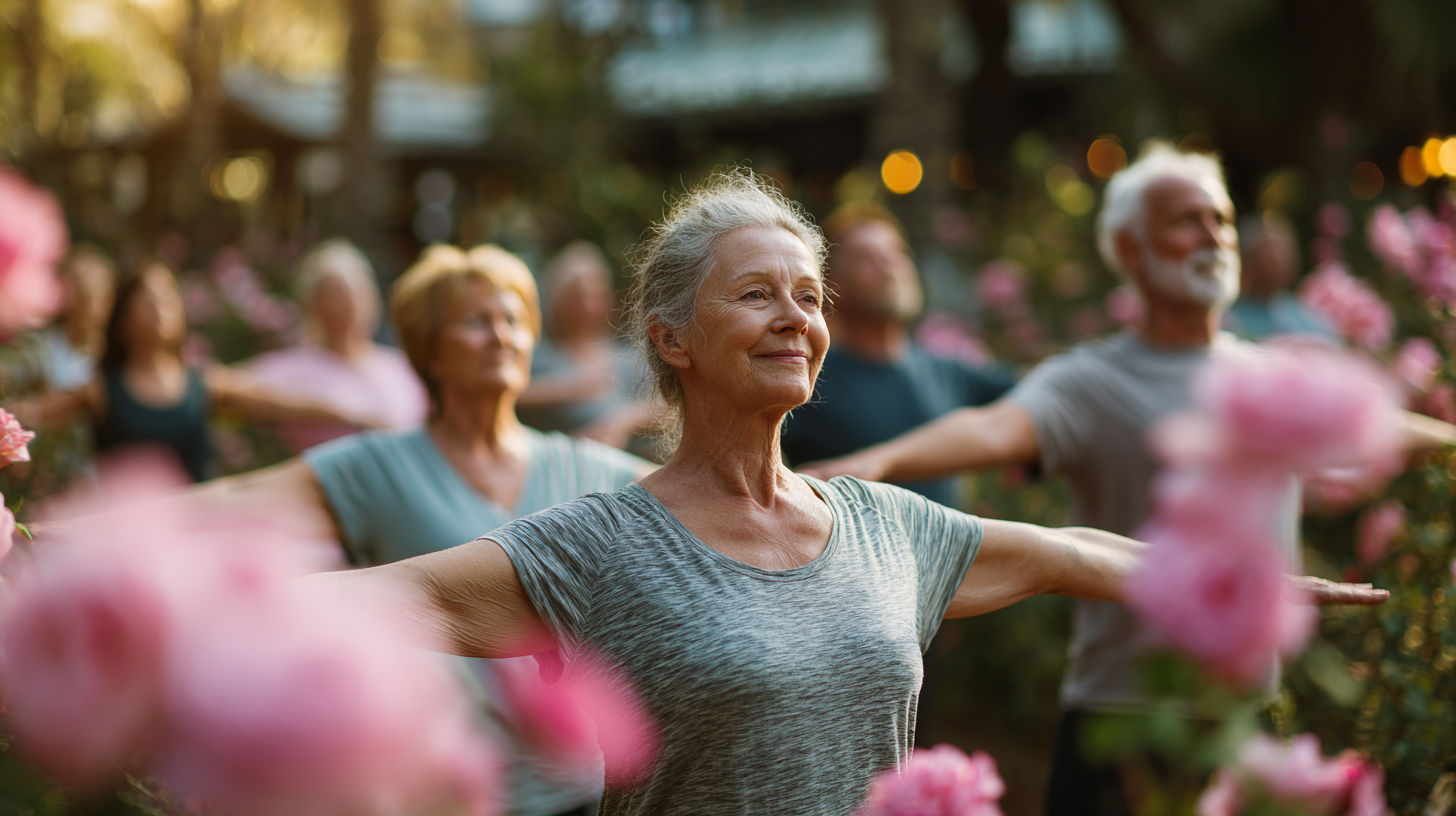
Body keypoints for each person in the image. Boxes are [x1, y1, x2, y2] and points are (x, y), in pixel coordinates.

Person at [306, 172, 1384, 816]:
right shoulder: (594, 545)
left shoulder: (886, 527)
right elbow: (380, 602)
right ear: (671, 339)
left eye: (809, 296)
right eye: (757, 294)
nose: (797, 317)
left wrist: (1246, 583)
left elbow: (1067, 553)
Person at [799, 144, 1453, 815]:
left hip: (1247, 717)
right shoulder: (1089, 380)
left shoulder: (1268, 378)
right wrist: (881, 462)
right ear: (1130, 250)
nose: (1212, 234)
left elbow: (1378, 427)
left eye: (1222, 219)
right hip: (1120, 720)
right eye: (1187, 219)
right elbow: (992, 429)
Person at [79, 244, 655, 816]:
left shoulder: (584, 469)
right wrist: (66, 536)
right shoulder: (380, 465)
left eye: (513, 319)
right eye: (478, 321)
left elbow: (693, 492)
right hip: (437, 793)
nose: (501, 335)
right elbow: (237, 498)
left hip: (574, 792)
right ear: (431, 351)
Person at [6, 259, 380, 483]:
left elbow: (285, 403)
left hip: (194, 534)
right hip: (123, 536)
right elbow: (30, 416)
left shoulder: (203, 383)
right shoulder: (100, 389)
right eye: (148, 300)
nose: (161, 307)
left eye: (168, 297)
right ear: (124, 318)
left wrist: (358, 413)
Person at [779, 203, 1014, 508]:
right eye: (869, 259)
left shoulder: (951, 373)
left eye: (897, 253)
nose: (889, 267)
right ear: (835, 286)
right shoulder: (809, 382)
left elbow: (1041, 403)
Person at [245, 239, 429, 453]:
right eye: (339, 293)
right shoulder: (294, 369)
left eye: (360, 291)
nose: (353, 302)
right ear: (313, 304)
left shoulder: (402, 366)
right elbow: (223, 391)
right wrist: (341, 413)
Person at [517, 242, 658, 451]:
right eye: (578, 296)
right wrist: (568, 387)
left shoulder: (626, 356)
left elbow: (668, 405)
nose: (588, 306)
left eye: (595, 295)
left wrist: (620, 423)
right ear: (558, 300)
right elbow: (507, 394)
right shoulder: (539, 354)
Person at [1224, 212, 1338, 342]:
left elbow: (1330, 342)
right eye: (1271, 252)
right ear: (1247, 260)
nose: (1282, 261)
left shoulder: (1299, 311)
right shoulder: (1230, 317)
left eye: (1286, 251)